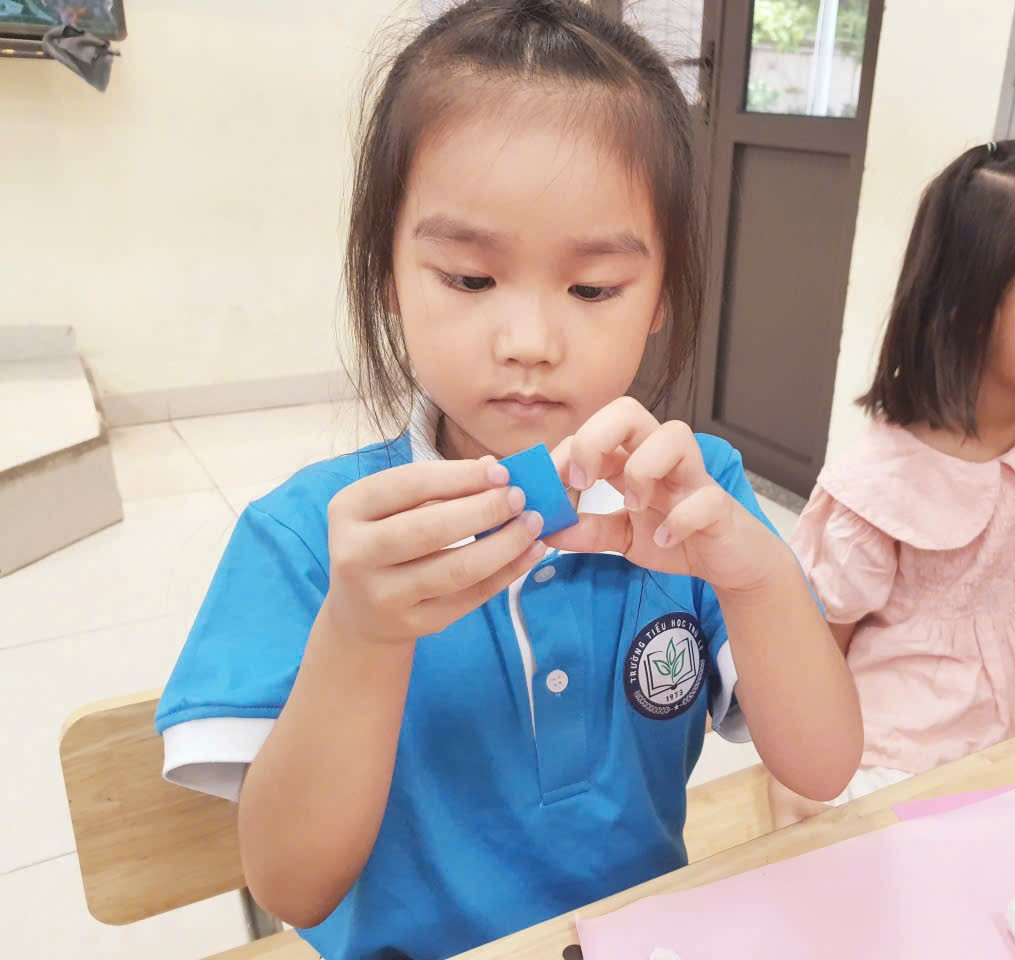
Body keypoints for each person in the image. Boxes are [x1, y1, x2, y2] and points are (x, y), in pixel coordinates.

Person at [153, 3, 862, 958]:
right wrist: (361, 633)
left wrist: (757, 575)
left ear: (661, 297)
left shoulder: (699, 498)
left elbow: (821, 769)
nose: (529, 342)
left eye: (593, 289)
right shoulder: (311, 540)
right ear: (387, 274)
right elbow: (291, 887)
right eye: (469, 279)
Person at [771, 139, 1015, 827]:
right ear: (970, 307)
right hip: (903, 742)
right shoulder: (881, 484)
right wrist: (795, 778)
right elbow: (820, 638)